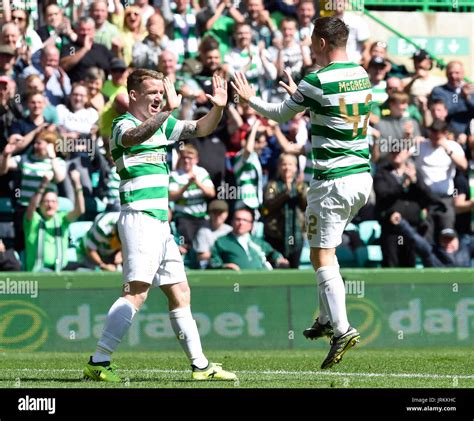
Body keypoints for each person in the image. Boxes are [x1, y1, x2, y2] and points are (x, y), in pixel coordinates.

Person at [231, 16, 373, 369]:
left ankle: (341, 328)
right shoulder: (361, 74)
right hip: (360, 178)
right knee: (322, 253)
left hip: (332, 180)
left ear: (322, 42)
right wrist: (303, 95)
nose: (310, 45)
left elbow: (280, 115)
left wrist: (249, 99)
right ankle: (326, 319)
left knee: (322, 256)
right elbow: (327, 108)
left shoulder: (316, 80)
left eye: (312, 39)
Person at [83, 68, 236, 382]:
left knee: (180, 292)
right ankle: (99, 361)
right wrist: (168, 109)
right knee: (136, 293)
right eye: (151, 91)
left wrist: (219, 107)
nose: (157, 96)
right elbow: (135, 136)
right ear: (134, 95)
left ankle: (200, 366)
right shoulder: (120, 124)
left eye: (160, 91)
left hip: (160, 224)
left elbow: (201, 128)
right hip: (139, 217)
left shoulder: (164, 126)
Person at [24, 170, 85, 271]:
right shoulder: (33, 220)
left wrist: (77, 184)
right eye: (46, 202)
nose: (50, 205)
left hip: (61, 269)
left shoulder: (62, 219)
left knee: (83, 272)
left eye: (53, 201)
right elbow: (31, 207)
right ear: (40, 204)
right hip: (39, 271)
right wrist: (43, 185)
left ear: (57, 205)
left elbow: (80, 210)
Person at [263, 153, 307, 268]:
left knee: (294, 267)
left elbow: (306, 206)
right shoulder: (272, 185)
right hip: (275, 235)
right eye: (283, 164)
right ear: (278, 167)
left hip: (296, 235)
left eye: (290, 164)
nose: (287, 167)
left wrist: (299, 191)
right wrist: (285, 194)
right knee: (277, 267)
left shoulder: (302, 186)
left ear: (295, 167)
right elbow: (268, 206)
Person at [209, 207, 289, 270]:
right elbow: (213, 263)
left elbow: (272, 253)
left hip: (261, 281)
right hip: (236, 283)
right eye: (238, 219)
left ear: (251, 225)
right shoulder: (222, 242)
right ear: (232, 222)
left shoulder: (257, 241)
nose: (241, 223)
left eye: (245, 220)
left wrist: (279, 259)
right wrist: (225, 267)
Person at [390, 213, 473, 267]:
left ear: (457, 241)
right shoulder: (432, 253)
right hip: (438, 292)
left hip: (465, 292)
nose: (448, 243)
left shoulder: (466, 250)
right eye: (445, 239)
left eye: (450, 239)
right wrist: (401, 223)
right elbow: (414, 238)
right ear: (439, 241)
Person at [193, 199, 232, 268]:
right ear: (210, 213)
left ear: (227, 214)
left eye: (220, 213)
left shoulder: (229, 230)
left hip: (228, 263)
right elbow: (201, 256)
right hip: (208, 266)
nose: (217, 216)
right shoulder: (203, 231)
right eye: (214, 212)